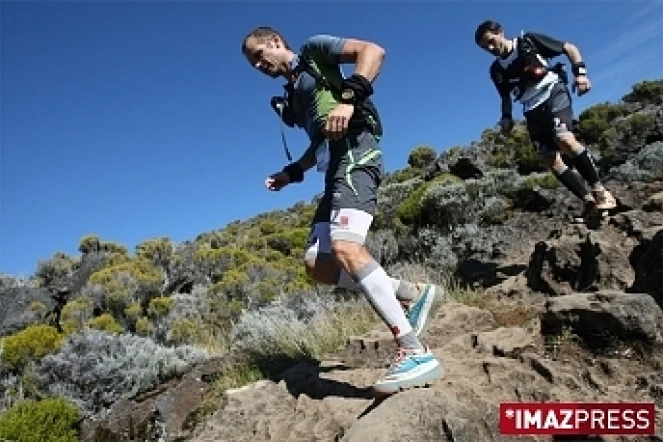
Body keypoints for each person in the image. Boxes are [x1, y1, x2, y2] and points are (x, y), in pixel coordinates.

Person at [241, 26, 445, 395]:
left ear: (275, 42)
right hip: (333, 167)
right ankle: (411, 293)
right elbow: (319, 141)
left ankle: (414, 350)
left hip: (356, 153)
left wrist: (350, 97)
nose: (258, 65)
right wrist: (291, 173)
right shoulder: (295, 93)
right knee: (317, 264)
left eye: (259, 55)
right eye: (252, 62)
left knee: (346, 247)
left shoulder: (314, 52)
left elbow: (374, 49)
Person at [474, 20, 617, 219]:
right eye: (484, 47)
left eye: (491, 41)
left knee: (564, 138)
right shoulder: (496, 70)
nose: (490, 48)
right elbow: (505, 97)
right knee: (550, 160)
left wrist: (580, 73)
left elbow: (569, 47)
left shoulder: (528, 41)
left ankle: (601, 192)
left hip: (552, 92)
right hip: (531, 108)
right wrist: (506, 118)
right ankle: (588, 201)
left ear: (500, 32)